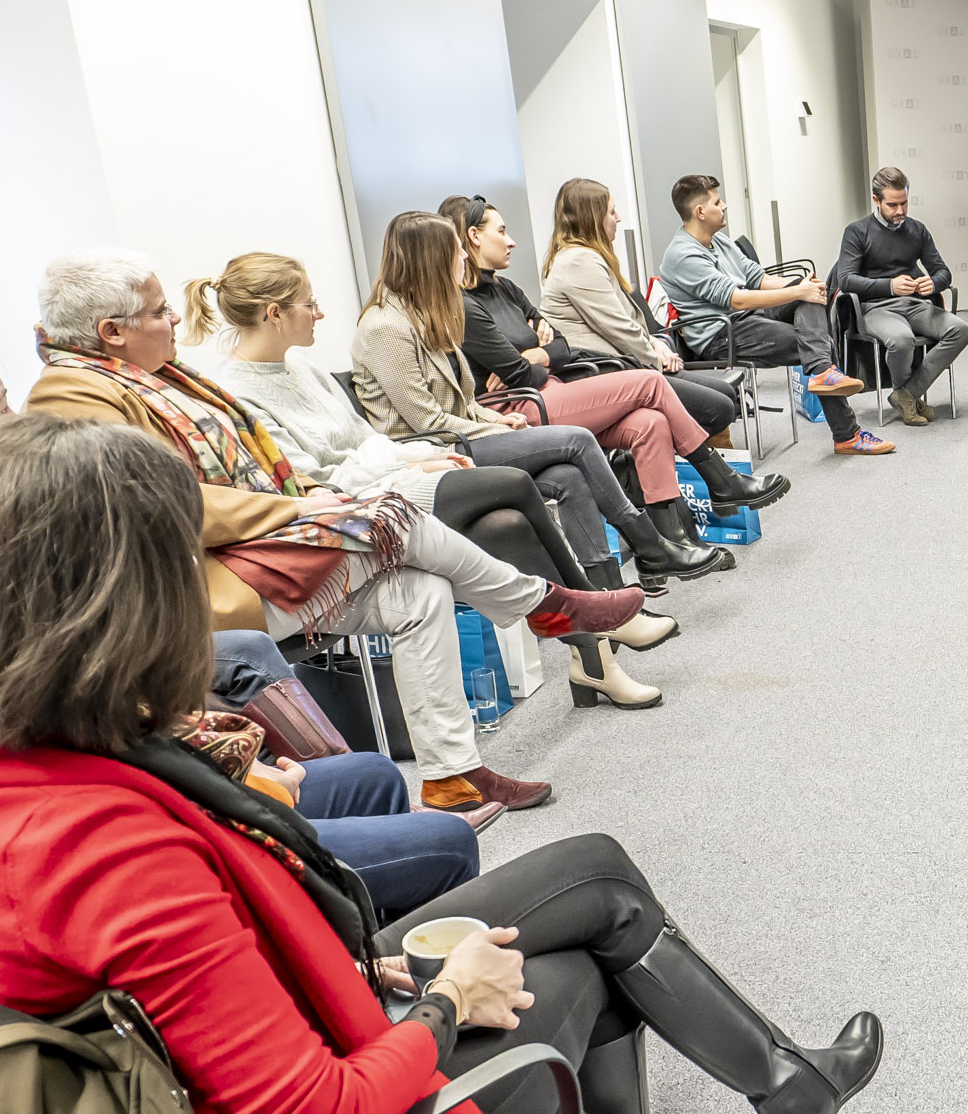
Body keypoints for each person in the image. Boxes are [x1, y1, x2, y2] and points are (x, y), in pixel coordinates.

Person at [0, 411, 884, 1114]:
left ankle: (780, 1091)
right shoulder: (107, 854)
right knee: (582, 967)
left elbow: (197, 988)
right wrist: (445, 1008)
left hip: (231, 1098)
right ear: (110, 603)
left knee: (593, 874)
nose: (204, 589)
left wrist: (371, 968)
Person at [0, 307, 488, 910]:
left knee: (363, 775)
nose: (24, 424)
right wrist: (254, 787)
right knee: (442, 838)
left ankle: (326, 969)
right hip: (72, 857)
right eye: (0, 406)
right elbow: (101, 762)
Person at [29, 251, 597, 815]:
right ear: (111, 332)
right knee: (397, 518)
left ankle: (453, 779)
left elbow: (265, 462)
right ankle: (547, 606)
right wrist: (293, 509)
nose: (175, 320)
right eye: (158, 313)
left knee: (422, 591)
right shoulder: (70, 394)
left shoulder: (160, 379)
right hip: (195, 591)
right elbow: (162, 504)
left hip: (254, 556)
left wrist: (307, 495)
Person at [186, 252, 678, 710]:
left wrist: (425, 456)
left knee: (506, 523)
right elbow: (310, 480)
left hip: (391, 478)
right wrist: (415, 465)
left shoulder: (301, 367)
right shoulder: (237, 392)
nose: (319, 313)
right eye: (309, 303)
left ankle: (591, 655)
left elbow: (366, 438)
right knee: (513, 481)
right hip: (354, 507)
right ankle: (592, 616)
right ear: (274, 313)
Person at [351, 212, 732, 584]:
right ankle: (654, 547)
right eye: (456, 250)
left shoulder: (425, 314)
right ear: (430, 260)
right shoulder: (388, 326)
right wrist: (493, 423)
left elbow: (466, 400)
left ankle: (606, 588)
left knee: (569, 475)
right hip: (439, 449)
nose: (464, 257)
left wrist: (493, 417)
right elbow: (428, 422)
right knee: (582, 437)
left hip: (472, 430)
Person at [460, 190, 784, 526]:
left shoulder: (507, 288)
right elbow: (526, 374)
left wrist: (536, 355)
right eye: (501, 232)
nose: (511, 241)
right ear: (473, 236)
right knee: (658, 385)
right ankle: (721, 481)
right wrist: (535, 360)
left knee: (651, 422)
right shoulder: (477, 302)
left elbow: (561, 347)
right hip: (540, 397)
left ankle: (671, 542)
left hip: (565, 381)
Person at [658, 172, 889, 456]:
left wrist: (803, 288)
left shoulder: (719, 241)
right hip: (721, 333)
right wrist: (796, 293)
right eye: (718, 202)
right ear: (700, 212)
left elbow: (757, 278)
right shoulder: (683, 254)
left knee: (812, 291)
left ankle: (826, 378)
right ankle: (847, 433)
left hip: (748, 316)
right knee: (819, 344)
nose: (725, 206)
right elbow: (737, 299)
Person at [835, 166, 968, 427]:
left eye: (904, 203)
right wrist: (889, 286)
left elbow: (944, 272)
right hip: (875, 308)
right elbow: (846, 280)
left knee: (961, 330)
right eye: (892, 205)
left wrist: (931, 284)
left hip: (915, 304)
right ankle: (909, 397)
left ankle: (906, 394)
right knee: (901, 340)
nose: (900, 211)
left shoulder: (916, 230)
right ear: (876, 201)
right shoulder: (857, 232)